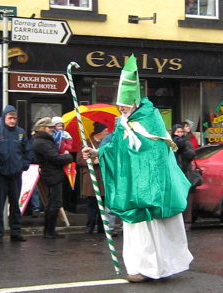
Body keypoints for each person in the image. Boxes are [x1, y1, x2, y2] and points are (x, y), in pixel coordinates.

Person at [81, 54, 193, 283]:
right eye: (119, 104)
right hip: (133, 185)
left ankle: (155, 267)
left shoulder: (150, 119)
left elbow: (155, 152)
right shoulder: (122, 122)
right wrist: (97, 153)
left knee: (155, 227)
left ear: (134, 102)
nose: (120, 107)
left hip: (152, 185)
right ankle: (141, 267)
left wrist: (142, 173)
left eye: (124, 104)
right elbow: (117, 149)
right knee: (137, 229)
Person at [0, 105, 31, 243]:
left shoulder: (21, 133)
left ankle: (15, 232)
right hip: (0, 175)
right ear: (4, 118)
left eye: (14, 118)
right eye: (10, 118)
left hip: (16, 174)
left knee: (15, 205)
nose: (12, 120)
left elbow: (27, 151)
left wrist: (24, 165)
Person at [32, 117, 73, 239]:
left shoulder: (43, 140)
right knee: (55, 203)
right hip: (52, 174)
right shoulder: (42, 142)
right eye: (50, 127)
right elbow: (55, 158)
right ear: (42, 128)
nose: (52, 129)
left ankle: (49, 230)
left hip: (51, 173)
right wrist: (69, 158)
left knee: (52, 202)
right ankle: (49, 231)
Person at [77, 122, 110, 235]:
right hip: (92, 178)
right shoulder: (86, 143)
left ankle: (102, 227)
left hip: (104, 178)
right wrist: (92, 161)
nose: (107, 133)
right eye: (105, 131)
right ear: (100, 132)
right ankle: (89, 226)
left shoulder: (107, 143)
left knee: (104, 203)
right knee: (92, 204)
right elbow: (79, 160)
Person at [171, 124, 196, 232]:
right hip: (175, 175)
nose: (180, 134)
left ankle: (187, 222)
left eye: (181, 132)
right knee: (176, 199)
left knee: (188, 200)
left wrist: (184, 148)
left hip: (186, 174)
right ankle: (177, 223)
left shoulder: (187, 143)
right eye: (178, 132)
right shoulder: (170, 144)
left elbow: (192, 154)